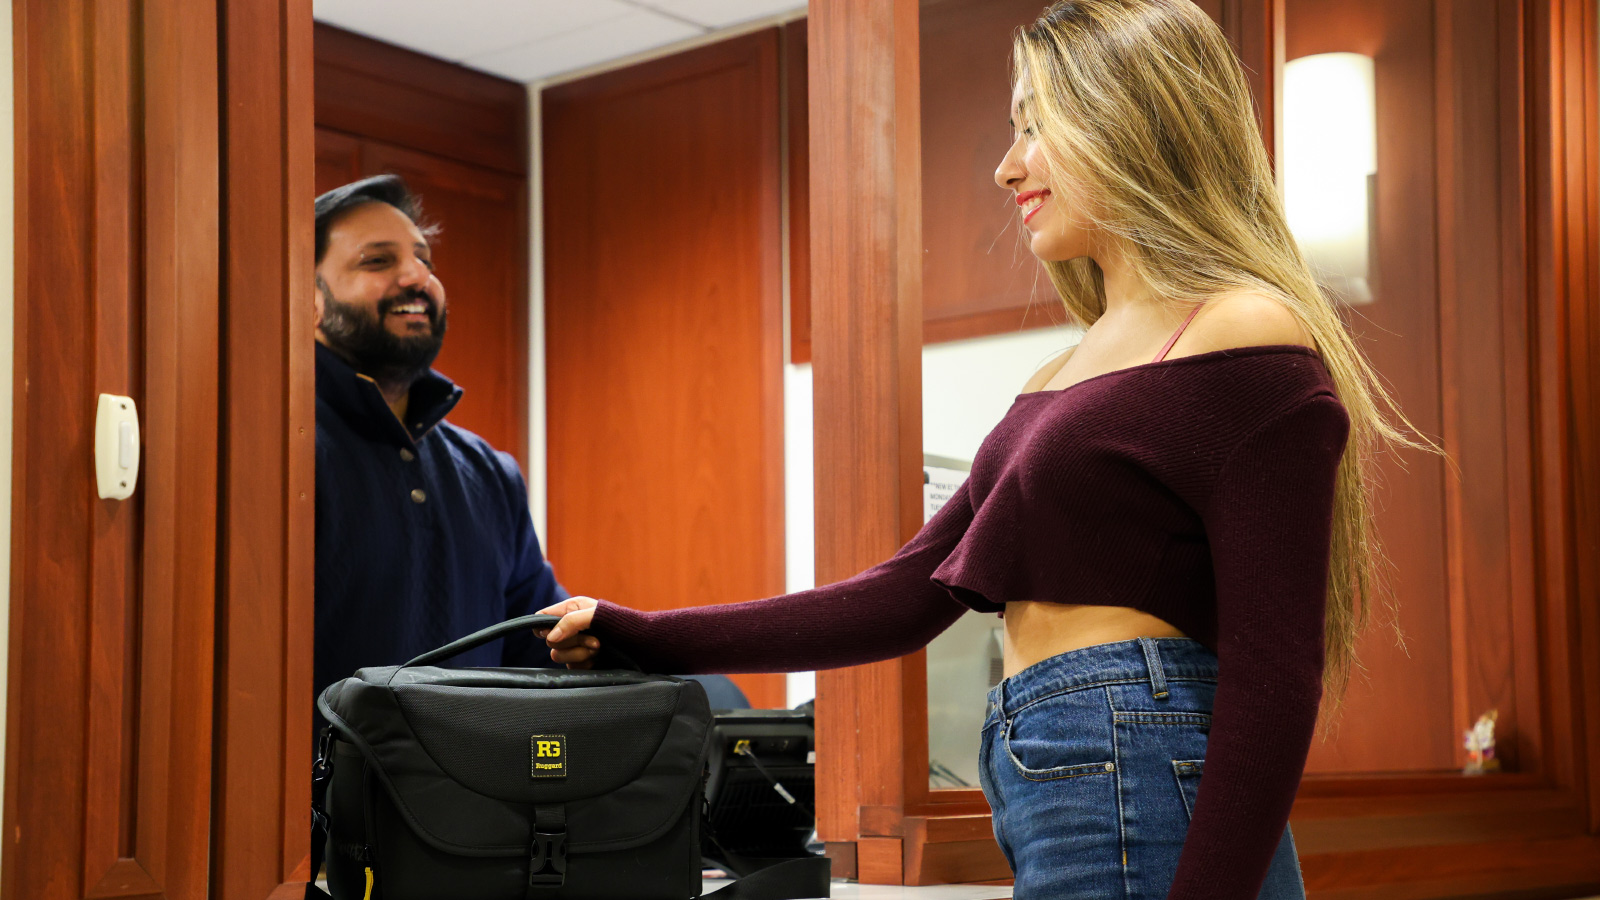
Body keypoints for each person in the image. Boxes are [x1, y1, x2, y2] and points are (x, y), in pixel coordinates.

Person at [536, 2, 1437, 898]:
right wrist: (640, 634)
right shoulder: (1062, 371)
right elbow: (900, 598)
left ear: (1132, 116)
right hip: (1059, 763)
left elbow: (1274, 666)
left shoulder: (1240, 330)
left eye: (1036, 125)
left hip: (1133, 754)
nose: (1008, 167)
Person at [312, 174, 568, 727]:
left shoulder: (490, 472)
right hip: (313, 811)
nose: (417, 277)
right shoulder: (273, 455)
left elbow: (543, 652)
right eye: (378, 261)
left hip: (476, 808)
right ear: (309, 298)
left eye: (423, 259)